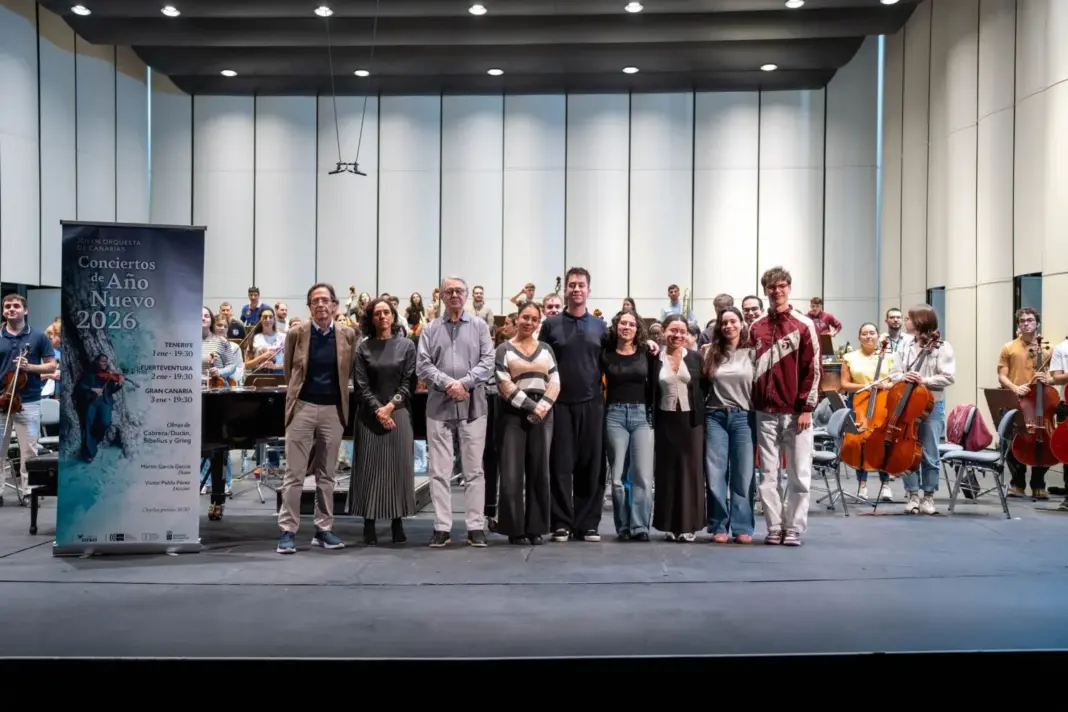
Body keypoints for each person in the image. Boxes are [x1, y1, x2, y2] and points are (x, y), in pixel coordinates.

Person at [276, 283, 357, 554]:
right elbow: (290, 373)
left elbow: (349, 371)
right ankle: (288, 530)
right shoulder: (297, 334)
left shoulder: (348, 334)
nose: (321, 305)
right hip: (303, 408)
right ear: (309, 306)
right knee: (294, 473)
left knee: (327, 475)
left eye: (325, 300)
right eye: (315, 301)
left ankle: (324, 529)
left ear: (335, 305)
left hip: (333, 409)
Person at [416, 276, 495, 548]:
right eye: (449, 291)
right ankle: (442, 527)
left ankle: (475, 527)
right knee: (439, 471)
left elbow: (488, 362)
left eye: (459, 291)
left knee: (474, 470)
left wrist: (464, 383)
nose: (454, 296)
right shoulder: (429, 329)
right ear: (441, 295)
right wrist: (449, 384)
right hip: (439, 406)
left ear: (467, 295)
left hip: (473, 406)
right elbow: (423, 365)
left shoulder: (480, 327)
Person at [749, 266, 820, 546]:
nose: (776, 291)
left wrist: (807, 408)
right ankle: (775, 526)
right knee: (767, 474)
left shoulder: (804, 325)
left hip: (796, 413)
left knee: (799, 473)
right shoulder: (756, 328)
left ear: (789, 288)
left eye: (781, 286)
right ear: (765, 290)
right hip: (764, 413)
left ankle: (794, 527)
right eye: (771, 287)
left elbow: (812, 370)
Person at [538, 267, 609, 542]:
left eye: (581, 285)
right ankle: (561, 522)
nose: (576, 289)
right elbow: (540, 361)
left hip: (592, 404)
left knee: (591, 466)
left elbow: (615, 358)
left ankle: (588, 523)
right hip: (559, 405)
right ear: (565, 290)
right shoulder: (551, 325)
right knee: (560, 466)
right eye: (572, 285)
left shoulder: (600, 327)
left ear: (589, 291)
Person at [352, 297, 417, 545]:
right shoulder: (363, 348)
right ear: (371, 318)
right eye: (377, 313)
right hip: (369, 415)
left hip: (398, 413)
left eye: (386, 312)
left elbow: (408, 382)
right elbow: (360, 385)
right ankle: (368, 524)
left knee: (397, 471)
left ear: (393, 316)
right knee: (369, 470)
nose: (382, 317)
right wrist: (379, 410)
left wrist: (389, 407)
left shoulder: (407, 346)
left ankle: (397, 523)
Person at [494, 301, 560, 545]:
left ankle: (536, 528)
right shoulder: (504, 349)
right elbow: (503, 383)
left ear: (538, 322)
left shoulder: (546, 349)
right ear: (517, 318)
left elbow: (555, 381)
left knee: (539, 471)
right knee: (512, 473)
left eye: (534, 319)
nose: (529, 322)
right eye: (525, 317)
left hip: (543, 414)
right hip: (513, 414)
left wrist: (541, 408)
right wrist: (531, 407)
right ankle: (515, 529)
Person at [887, 304, 955, 515]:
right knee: (907, 448)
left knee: (930, 452)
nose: (905, 322)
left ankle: (929, 497)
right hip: (907, 405)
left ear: (920, 322)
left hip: (931, 405)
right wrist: (903, 376)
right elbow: (894, 373)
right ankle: (912, 495)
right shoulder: (904, 346)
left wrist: (924, 380)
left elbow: (948, 376)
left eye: (908, 319)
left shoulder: (942, 347)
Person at [702, 307, 757, 544]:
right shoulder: (710, 352)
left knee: (743, 474)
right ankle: (718, 525)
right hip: (715, 417)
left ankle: (742, 525)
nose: (728, 326)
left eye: (733, 321)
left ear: (742, 323)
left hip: (743, 417)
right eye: (724, 323)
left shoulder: (753, 353)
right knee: (715, 474)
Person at [600, 309, 655, 541]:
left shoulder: (646, 352)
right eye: (623, 323)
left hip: (641, 415)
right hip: (615, 415)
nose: (627, 327)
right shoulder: (606, 354)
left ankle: (640, 526)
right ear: (616, 326)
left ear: (637, 328)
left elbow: (653, 384)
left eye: (632, 324)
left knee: (642, 475)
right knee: (618, 478)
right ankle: (623, 526)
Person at [652, 315, 706, 541]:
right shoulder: (655, 358)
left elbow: (705, 386)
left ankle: (689, 525)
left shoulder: (695, 358)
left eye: (682, 331)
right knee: (667, 473)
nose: (678, 335)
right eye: (673, 330)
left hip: (691, 422)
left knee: (691, 473)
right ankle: (670, 525)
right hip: (665, 421)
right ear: (664, 332)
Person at [0, 294, 56, 496]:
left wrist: (29, 366)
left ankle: (29, 492)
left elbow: (51, 365)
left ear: (26, 310)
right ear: (3, 310)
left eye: (16, 306)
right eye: (7, 306)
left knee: (29, 451)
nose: (11, 309)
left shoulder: (39, 336)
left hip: (29, 401)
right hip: (1, 400)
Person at [997, 307, 1052, 499]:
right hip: (1017, 400)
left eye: (1030, 320)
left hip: (1041, 403)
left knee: (1043, 440)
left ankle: (1039, 484)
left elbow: (1055, 375)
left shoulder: (1048, 348)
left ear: (1037, 323)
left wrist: (1047, 379)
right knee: (1015, 441)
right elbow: (1002, 376)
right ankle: (1017, 484)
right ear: (1018, 324)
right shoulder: (1009, 347)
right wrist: (1015, 388)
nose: (1026, 323)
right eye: (1022, 321)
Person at [839, 322, 895, 502]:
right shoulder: (850, 357)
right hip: (859, 402)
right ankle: (862, 485)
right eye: (864, 334)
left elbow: (896, 380)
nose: (868, 336)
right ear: (859, 337)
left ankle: (885, 485)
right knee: (860, 442)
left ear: (878, 336)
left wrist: (886, 385)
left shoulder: (889, 357)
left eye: (872, 333)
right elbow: (845, 384)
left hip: (883, 403)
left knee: (883, 442)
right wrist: (868, 386)